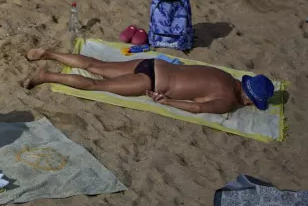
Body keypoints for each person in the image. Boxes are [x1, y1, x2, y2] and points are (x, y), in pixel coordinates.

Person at [21, 48, 274, 114]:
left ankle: (49, 54)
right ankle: (47, 76)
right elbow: (197, 107)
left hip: (154, 64)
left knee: (95, 65)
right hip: (152, 82)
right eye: (252, 102)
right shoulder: (228, 101)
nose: (248, 105)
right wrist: (167, 102)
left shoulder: (226, 76)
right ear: (248, 97)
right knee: (96, 85)